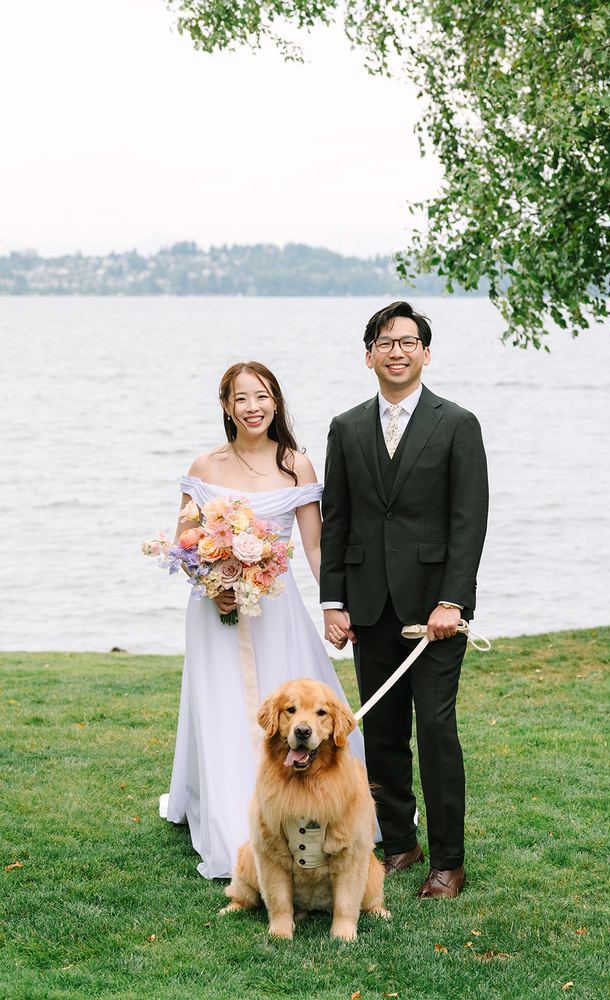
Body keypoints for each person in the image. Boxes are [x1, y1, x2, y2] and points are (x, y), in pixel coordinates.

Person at [160, 361, 364, 879]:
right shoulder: (205, 467)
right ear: (227, 406)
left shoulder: (296, 464)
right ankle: (236, 820)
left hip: (276, 608)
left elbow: (314, 548)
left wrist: (333, 605)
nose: (253, 407)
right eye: (241, 398)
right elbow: (183, 543)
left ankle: (308, 808)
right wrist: (213, 585)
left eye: (263, 396)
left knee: (286, 703)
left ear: (276, 401)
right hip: (215, 612)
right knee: (223, 704)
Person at [320, 302, 488, 899]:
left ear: (425, 352)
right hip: (369, 604)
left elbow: (469, 522)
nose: (397, 351)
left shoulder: (456, 423)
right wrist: (334, 602)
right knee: (383, 732)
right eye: (385, 342)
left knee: (437, 728)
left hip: (434, 614)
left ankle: (448, 860)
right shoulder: (345, 427)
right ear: (369, 355)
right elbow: (336, 519)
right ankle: (399, 844)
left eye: (408, 342)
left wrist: (454, 602)